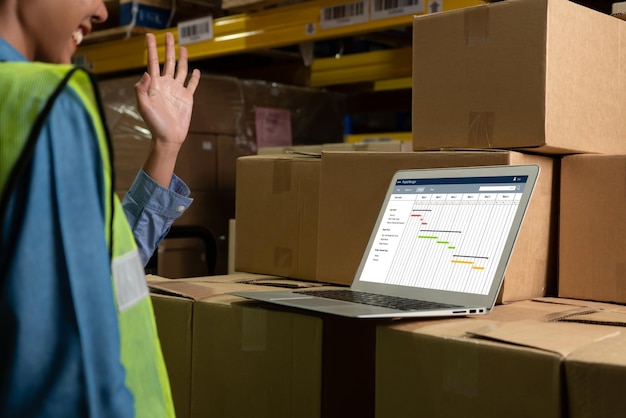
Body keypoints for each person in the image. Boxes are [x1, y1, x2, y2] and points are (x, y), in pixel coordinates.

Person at [0, 0, 201, 416]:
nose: (102, 11)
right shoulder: (41, 102)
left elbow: (100, 268)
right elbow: (72, 372)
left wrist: (165, 147)